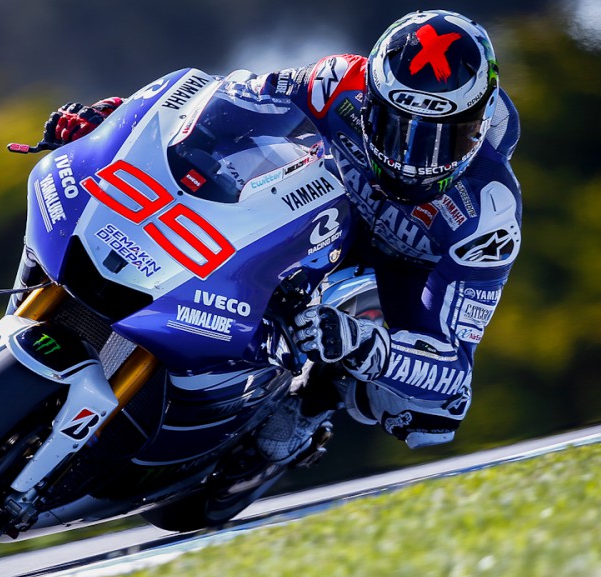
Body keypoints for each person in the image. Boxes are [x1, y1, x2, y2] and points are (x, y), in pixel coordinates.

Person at [34, 9, 522, 466]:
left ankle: (316, 397)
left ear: (477, 127)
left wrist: (368, 347)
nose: (412, 156)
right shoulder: (337, 83)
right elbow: (226, 103)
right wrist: (118, 118)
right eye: (395, 126)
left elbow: (454, 375)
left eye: (442, 138)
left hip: (406, 271)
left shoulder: (490, 212)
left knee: (426, 416)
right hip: (329, 208)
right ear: (371, 96)